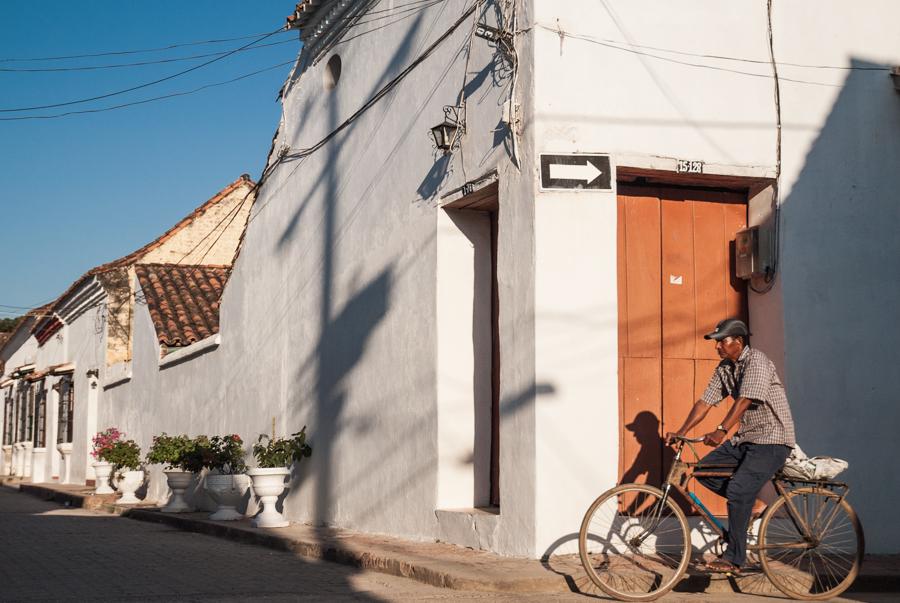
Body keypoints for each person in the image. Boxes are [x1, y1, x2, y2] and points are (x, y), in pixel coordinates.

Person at [665, 318, 795, 574]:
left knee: (737, 489)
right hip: (746, 439)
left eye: (722, 342)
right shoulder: (726, 368)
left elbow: (745, 399)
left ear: (739, 341)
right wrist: (682, 431)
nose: (717, 348)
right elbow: (705, 402)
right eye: (717, 343)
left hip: (772, 440)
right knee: (703, 470)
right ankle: (753, 504)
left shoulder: (757, 361)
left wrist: (722, 430)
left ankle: (735, 558)